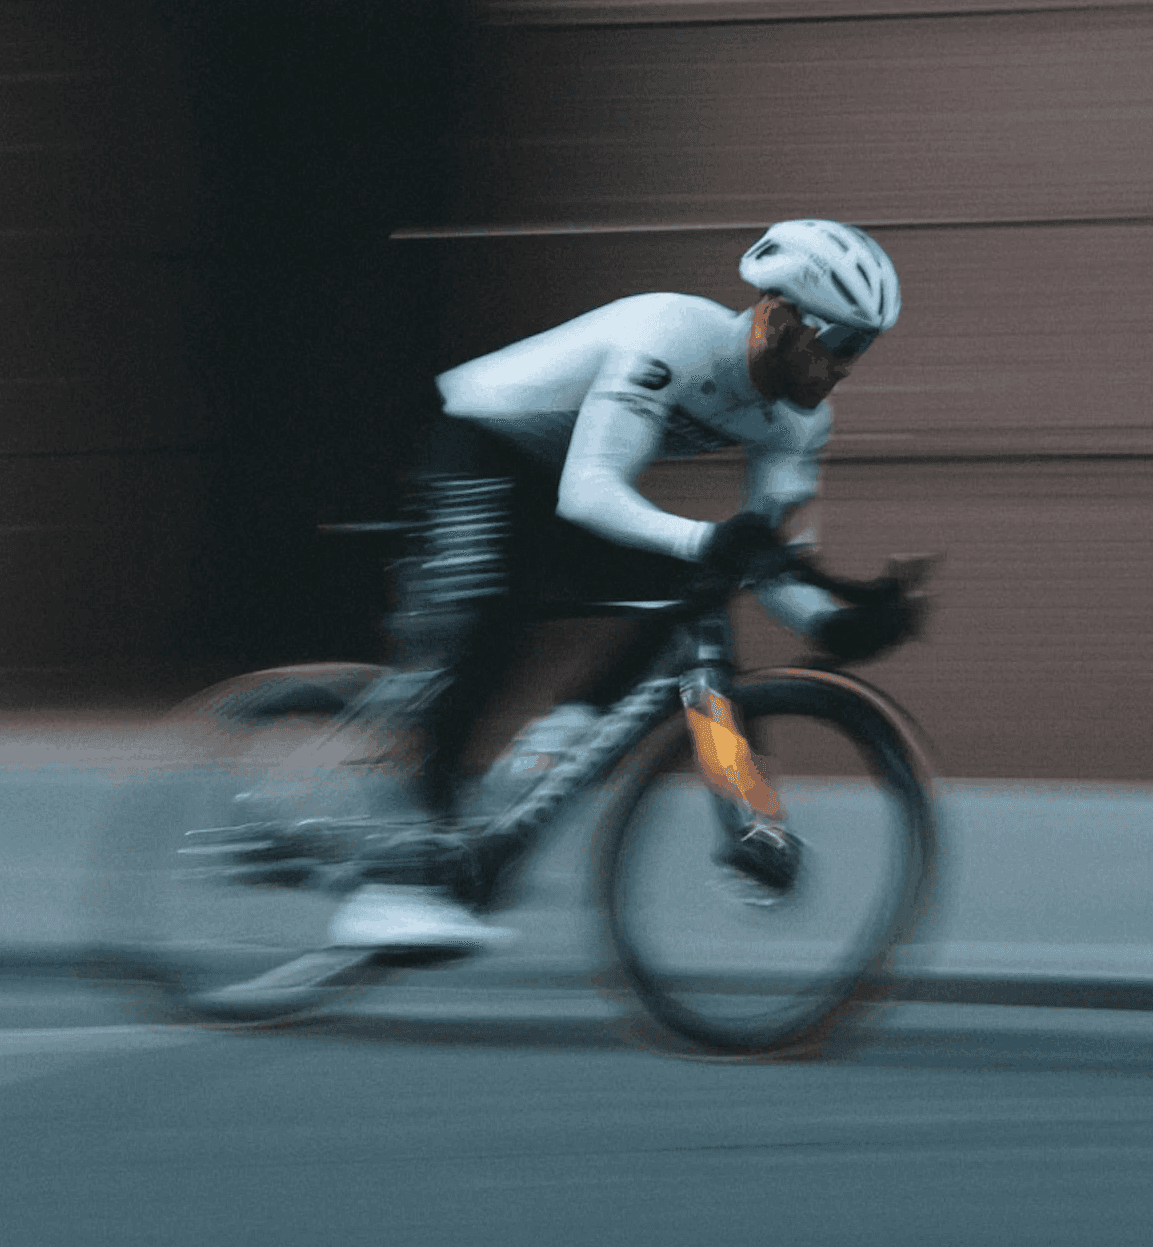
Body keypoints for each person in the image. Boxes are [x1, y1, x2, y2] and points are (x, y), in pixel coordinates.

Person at [325, 218, 919, 950]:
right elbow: (591, 493)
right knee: (486, 623)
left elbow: (763, 564)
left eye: (862, 348)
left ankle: (575, 743)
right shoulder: (672, 335)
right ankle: (397, 883)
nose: (845, 368)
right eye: (842, 342)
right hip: (477, 446)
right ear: (780, 318)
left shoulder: (798, 425)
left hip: (551, 487)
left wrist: (836, 623)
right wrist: (711, 540)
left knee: (696, 599)